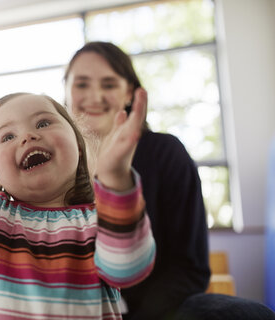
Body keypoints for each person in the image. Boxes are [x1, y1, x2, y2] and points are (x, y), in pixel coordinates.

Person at [0, 77, 156, 319]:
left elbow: (127, 269)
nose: (28, 136)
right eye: (7, 136)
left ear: (78, 145)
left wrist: (116, 179)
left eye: (43, 123)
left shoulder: (102, 219)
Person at [64, 41, 275, 320]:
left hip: (156, 311)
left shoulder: (166, 153)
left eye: (109, 84)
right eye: (81, 84)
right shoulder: (55, 164)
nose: (95, 95)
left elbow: (190, 267)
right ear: (66, 90)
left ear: (129, 92)